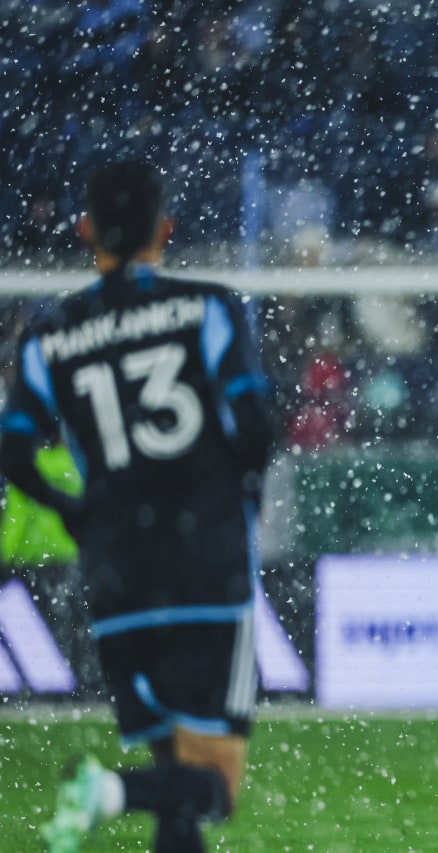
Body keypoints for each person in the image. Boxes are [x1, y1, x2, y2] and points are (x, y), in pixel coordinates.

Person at [0, 159, 273, 853]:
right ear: (166, 228)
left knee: (175, 787)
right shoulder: (209, 306)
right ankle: (108, 790)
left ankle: (126, 790)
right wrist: (239, 497)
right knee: (214, 785)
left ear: (87, 230)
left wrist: (74, 510)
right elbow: (254, 424)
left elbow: (13, 450)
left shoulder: (49, 336)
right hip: (205, 564)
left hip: (118, 572)